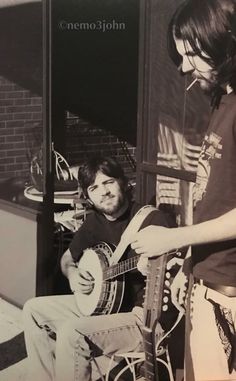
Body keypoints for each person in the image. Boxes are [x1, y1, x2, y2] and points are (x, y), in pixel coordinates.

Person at [131, 1, 236, 380]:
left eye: (192, 52)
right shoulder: (222, 99)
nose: (184, 66)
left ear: (224, 40)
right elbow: (214, 197)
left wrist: (173, 237)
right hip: (207, 284)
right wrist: (190, 265)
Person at [23, 155, 175, 381]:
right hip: (107, 308)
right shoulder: (94, 223)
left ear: (124, 183)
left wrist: (155, 270)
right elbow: (67, 259)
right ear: (88, 196)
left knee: (72, 333)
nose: (103, 192)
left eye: (108, 182)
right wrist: (73, 274)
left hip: (143, 317)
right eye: (94, 187)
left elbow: (175, 265)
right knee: (34, 310)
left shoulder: (151, 219)